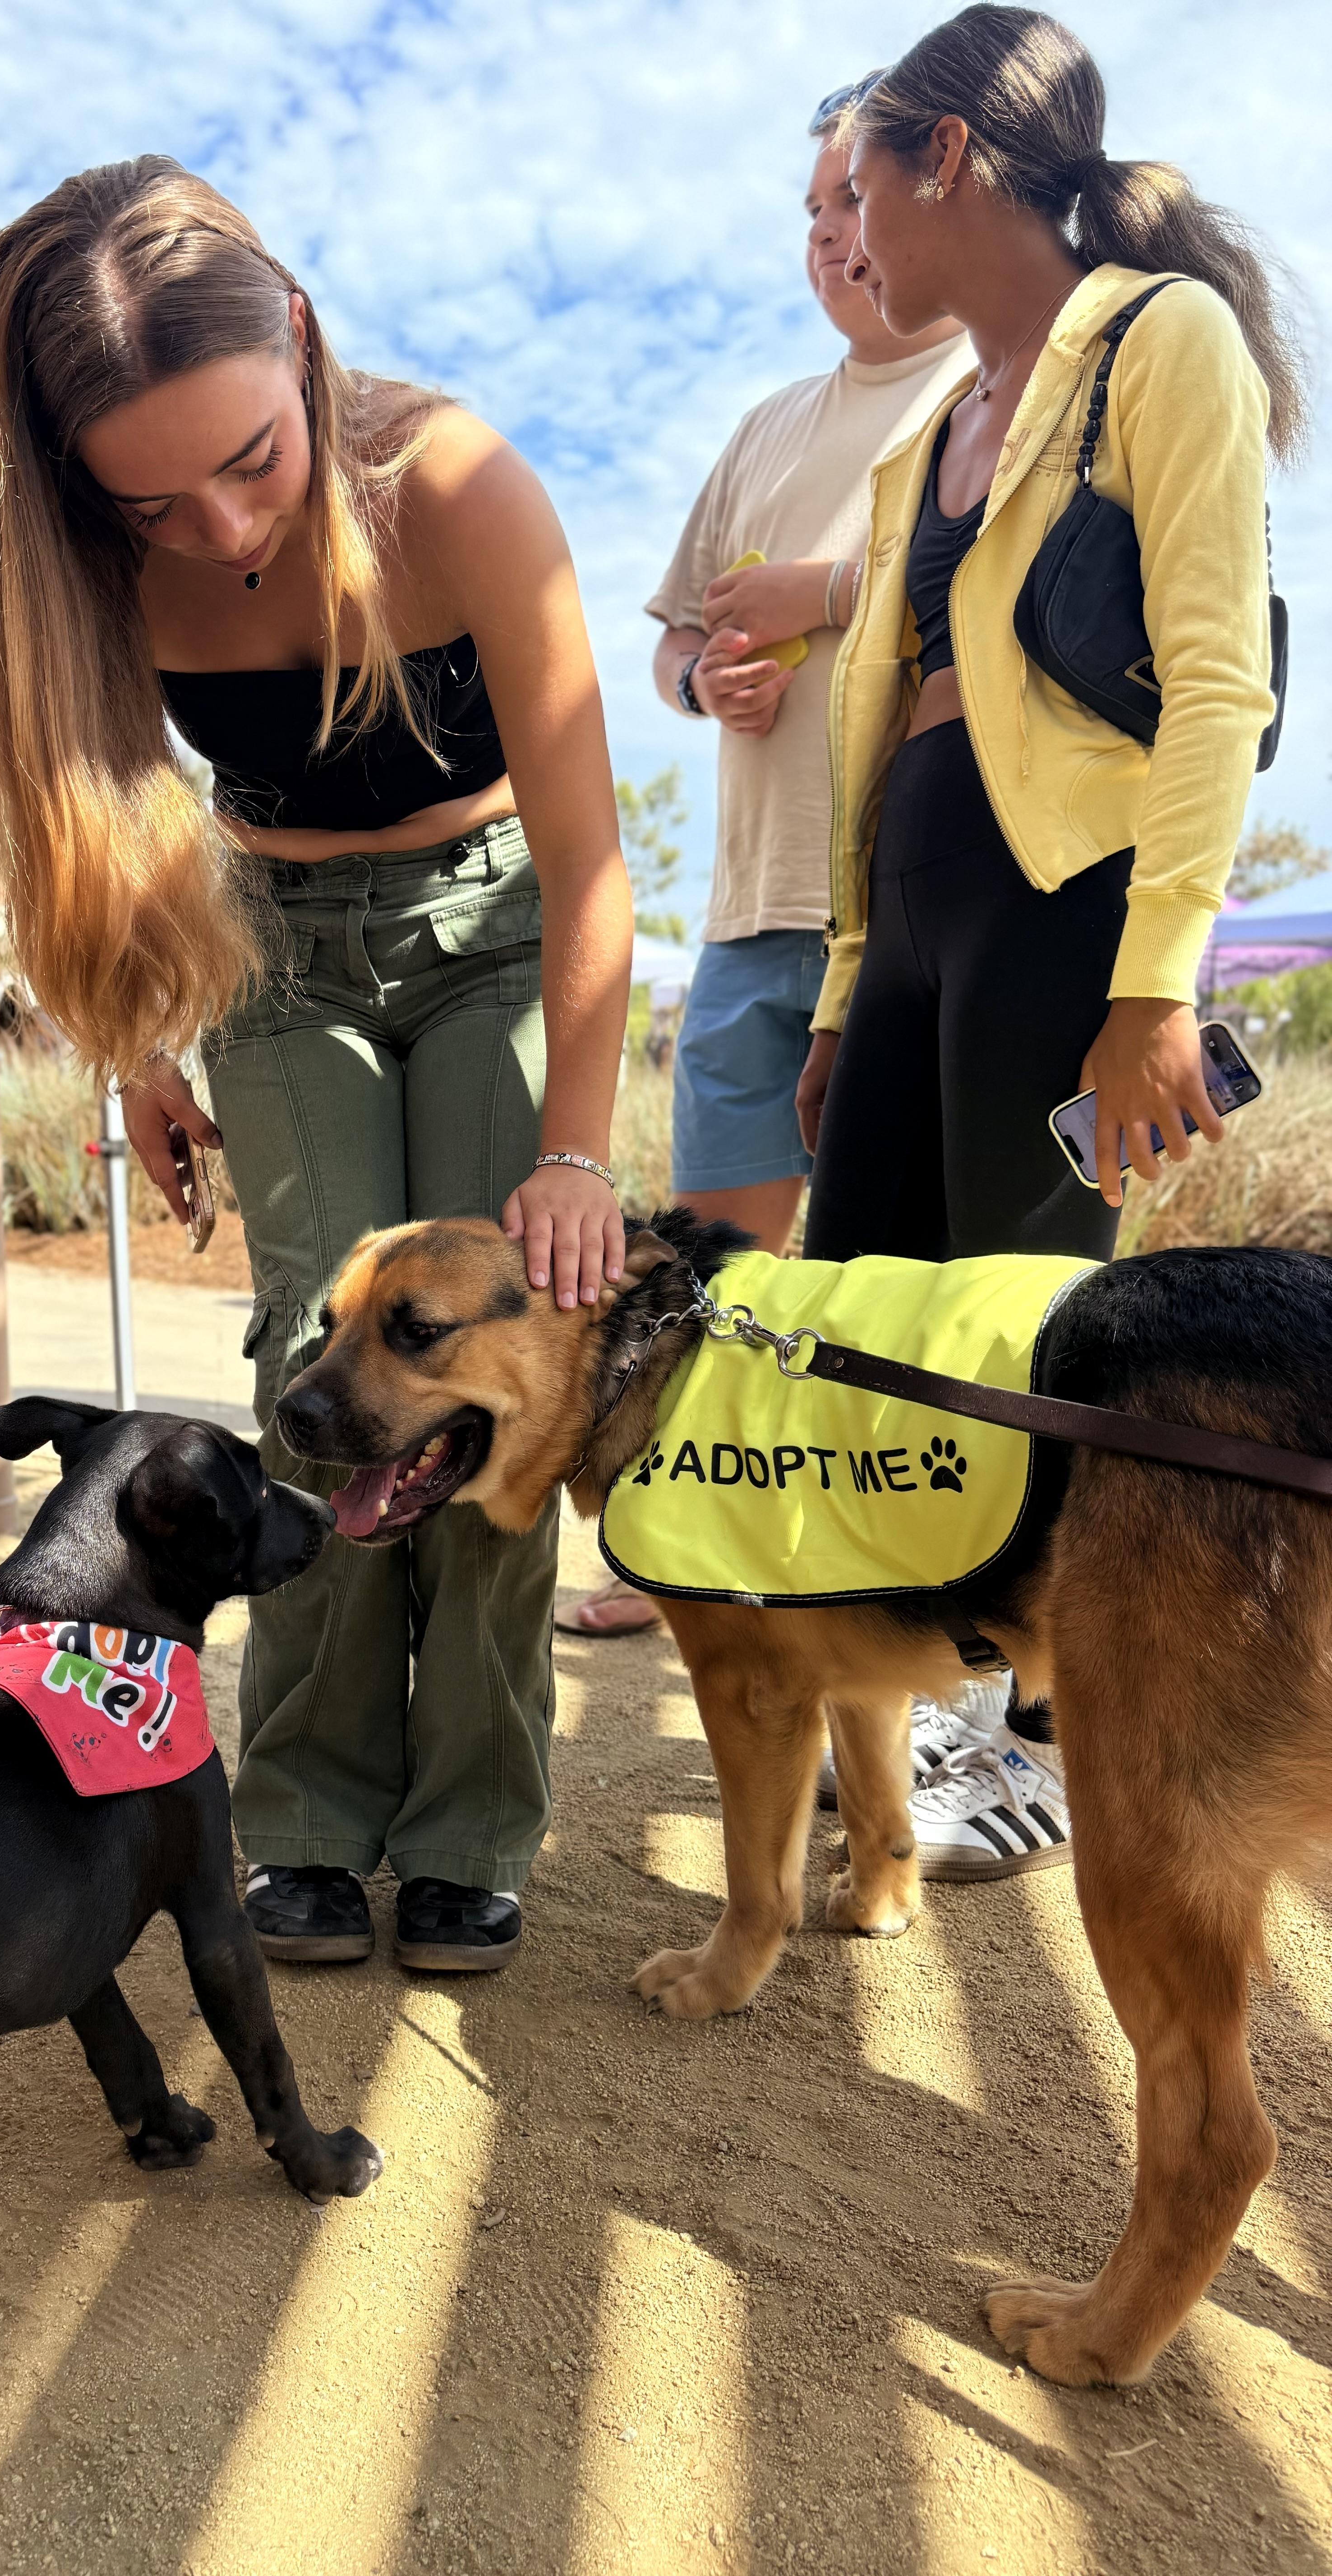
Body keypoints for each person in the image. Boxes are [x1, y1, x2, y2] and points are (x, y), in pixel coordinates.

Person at [0, 159, 632, 1973]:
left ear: (307, 349)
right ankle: (313, 1814)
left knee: (500, 1377)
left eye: (255, 459)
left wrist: (576, 1153)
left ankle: (475, 1821)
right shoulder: (80, 573)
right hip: (276, 955)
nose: (230, 530)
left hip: (499, 928)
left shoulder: (460, 485)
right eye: (156, 501)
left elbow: (589, 869)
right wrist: (140, 1057)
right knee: (311, 1378)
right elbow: (95, 838)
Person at [796, 6, 1302, 1875]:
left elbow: (1216, 684)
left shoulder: (1158, 342)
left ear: (950, 157)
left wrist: (1153, 981)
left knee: (1022, 1336)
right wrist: (849, 985)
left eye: (864, 187)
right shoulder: (931, 435)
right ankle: (912, 1727)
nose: (852, 234)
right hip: (916, 921)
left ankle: (1024, 1731)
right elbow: (884, 716)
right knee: (867, 1329)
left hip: (1062, 912)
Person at [562, 82, 972, 1640]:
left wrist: (822, 593)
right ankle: (682, 1543)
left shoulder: (987, 385)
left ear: (913, 197)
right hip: (748, 907)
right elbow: (673, 641)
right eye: (808, 214)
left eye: (847, 203)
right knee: (717, 1262)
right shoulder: (764, 426)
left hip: (909, 900)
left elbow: (997, 570)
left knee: (889, 1271)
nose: (830, 239)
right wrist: (706, 680)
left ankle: (872, 1560)